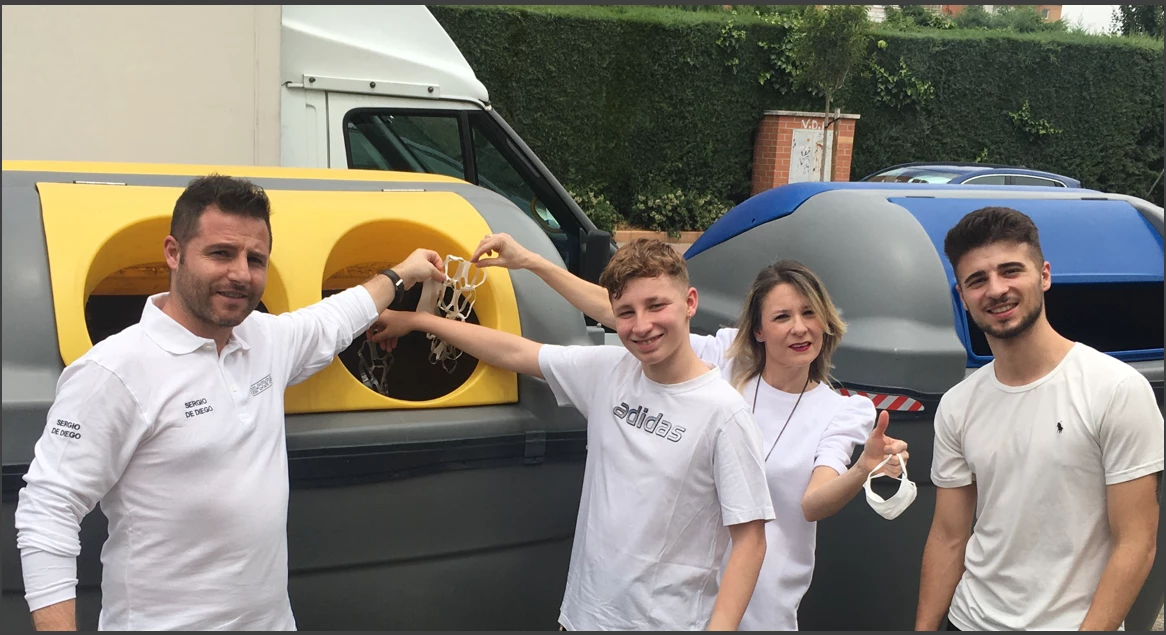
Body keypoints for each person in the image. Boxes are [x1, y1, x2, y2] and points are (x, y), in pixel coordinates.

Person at [14, 174, 446, 631]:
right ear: (173, 253)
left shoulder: (263, 340)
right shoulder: (114, 371)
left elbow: (334, 319)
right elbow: (49, 510)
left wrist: (401, 274)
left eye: (255, 259)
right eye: (221, 253)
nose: (240, 273)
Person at [442, 232, 911, 631]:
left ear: (827, 321)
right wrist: (531, 262)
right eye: (782, 316)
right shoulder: (728, 359)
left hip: (760, 596)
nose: (799, 328)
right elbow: (631, 317)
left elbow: (812, 504)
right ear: (759, 330)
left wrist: (863, 468)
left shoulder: (841, 411)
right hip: (679, 593)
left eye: (810, 314)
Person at [368, 238, 775, 631]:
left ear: (689, 303)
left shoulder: (724, 413)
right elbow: (515, 352)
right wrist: (418, 320)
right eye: (626, 312)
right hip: (583, 616)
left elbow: (751, 541)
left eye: (656, 306)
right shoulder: (609, 371)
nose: (642, 325)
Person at [915, 206, 1163, 631]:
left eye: (1011, 271)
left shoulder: (1115, 389)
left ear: (1044, 276)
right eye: (977, 280)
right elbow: (948, 535)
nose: (996, 289)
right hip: (969, 620)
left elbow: (1136, 543)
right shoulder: (958, 405)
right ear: (962, 296)